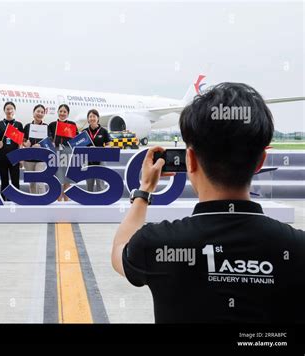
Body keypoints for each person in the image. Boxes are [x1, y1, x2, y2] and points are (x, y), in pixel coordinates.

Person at [111, 83, 305, 323]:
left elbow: (119, 250)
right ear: (260, 162)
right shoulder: (297, 248)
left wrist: (145, 191)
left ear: (190, 160)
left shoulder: (158, 243)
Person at [48, 104, 78, 201]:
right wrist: (51, 141)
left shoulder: (72, 125)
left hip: (68, 152)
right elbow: (48, 138)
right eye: (60, 111)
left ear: (68, 113)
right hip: (55, 152)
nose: (62, 113)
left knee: (66, 178)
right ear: (58, 112)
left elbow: (76, 139)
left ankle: (66, 201)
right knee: (57, 178)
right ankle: (58, 201)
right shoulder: (52, 125)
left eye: (64, 112)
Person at [0, 101, 24, 201]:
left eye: (11, 109)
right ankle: (4, 202)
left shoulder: (19, 125)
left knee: (15, 181)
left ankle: (16, 200)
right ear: (4, 110)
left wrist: (21, 158)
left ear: (14, 110)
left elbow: (20, 143)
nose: (9, 111)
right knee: (4, 181)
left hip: (15, 157)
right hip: (2, 157)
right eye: (7, 109)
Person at [82, 109, 110, 192]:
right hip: (88, 161)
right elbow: (80, 146)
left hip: (100, 160)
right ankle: (89, 202)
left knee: (100, 184)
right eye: (90, 117)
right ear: (88, 119)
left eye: (94, 116)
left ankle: (101, 201)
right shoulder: (84, 132)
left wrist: (100, 150)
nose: (92, 118)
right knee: (89, 185)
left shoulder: (103, 131)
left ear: (98, 118)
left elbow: (108, 144)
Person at [22, 104, 48, 194]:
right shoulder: (27, 126)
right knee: (32, 183)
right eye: (38, 111)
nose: (40, 114)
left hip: (41, 159)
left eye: (42, 112)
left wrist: (41, 145)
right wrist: (26, 144)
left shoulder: (46, 127)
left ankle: (42, 201)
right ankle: (33, 203)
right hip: (29, 159)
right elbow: (22, 141)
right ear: (33, 113)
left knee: (40, 182)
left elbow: (50, 143)